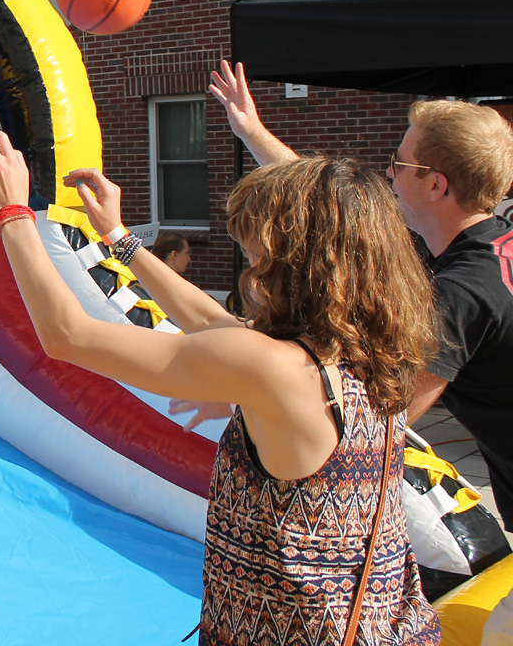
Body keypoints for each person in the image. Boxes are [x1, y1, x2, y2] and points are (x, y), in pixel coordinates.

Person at [0, 130, 441, 644]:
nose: (253, 265)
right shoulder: (368, 349)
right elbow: (210, 319)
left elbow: (68, 336)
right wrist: (118, 237)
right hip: (381, 620)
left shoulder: (273, 368)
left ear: (301, 260)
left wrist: (11, 213)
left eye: (261, 254)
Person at [208, 58, 513, 533]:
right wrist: (252, 132)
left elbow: (377, 420)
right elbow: (331, 205)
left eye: (400, 164)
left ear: (436, 185)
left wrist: (251, 392)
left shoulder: (462, 293)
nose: (389, 173)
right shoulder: (474, 241)